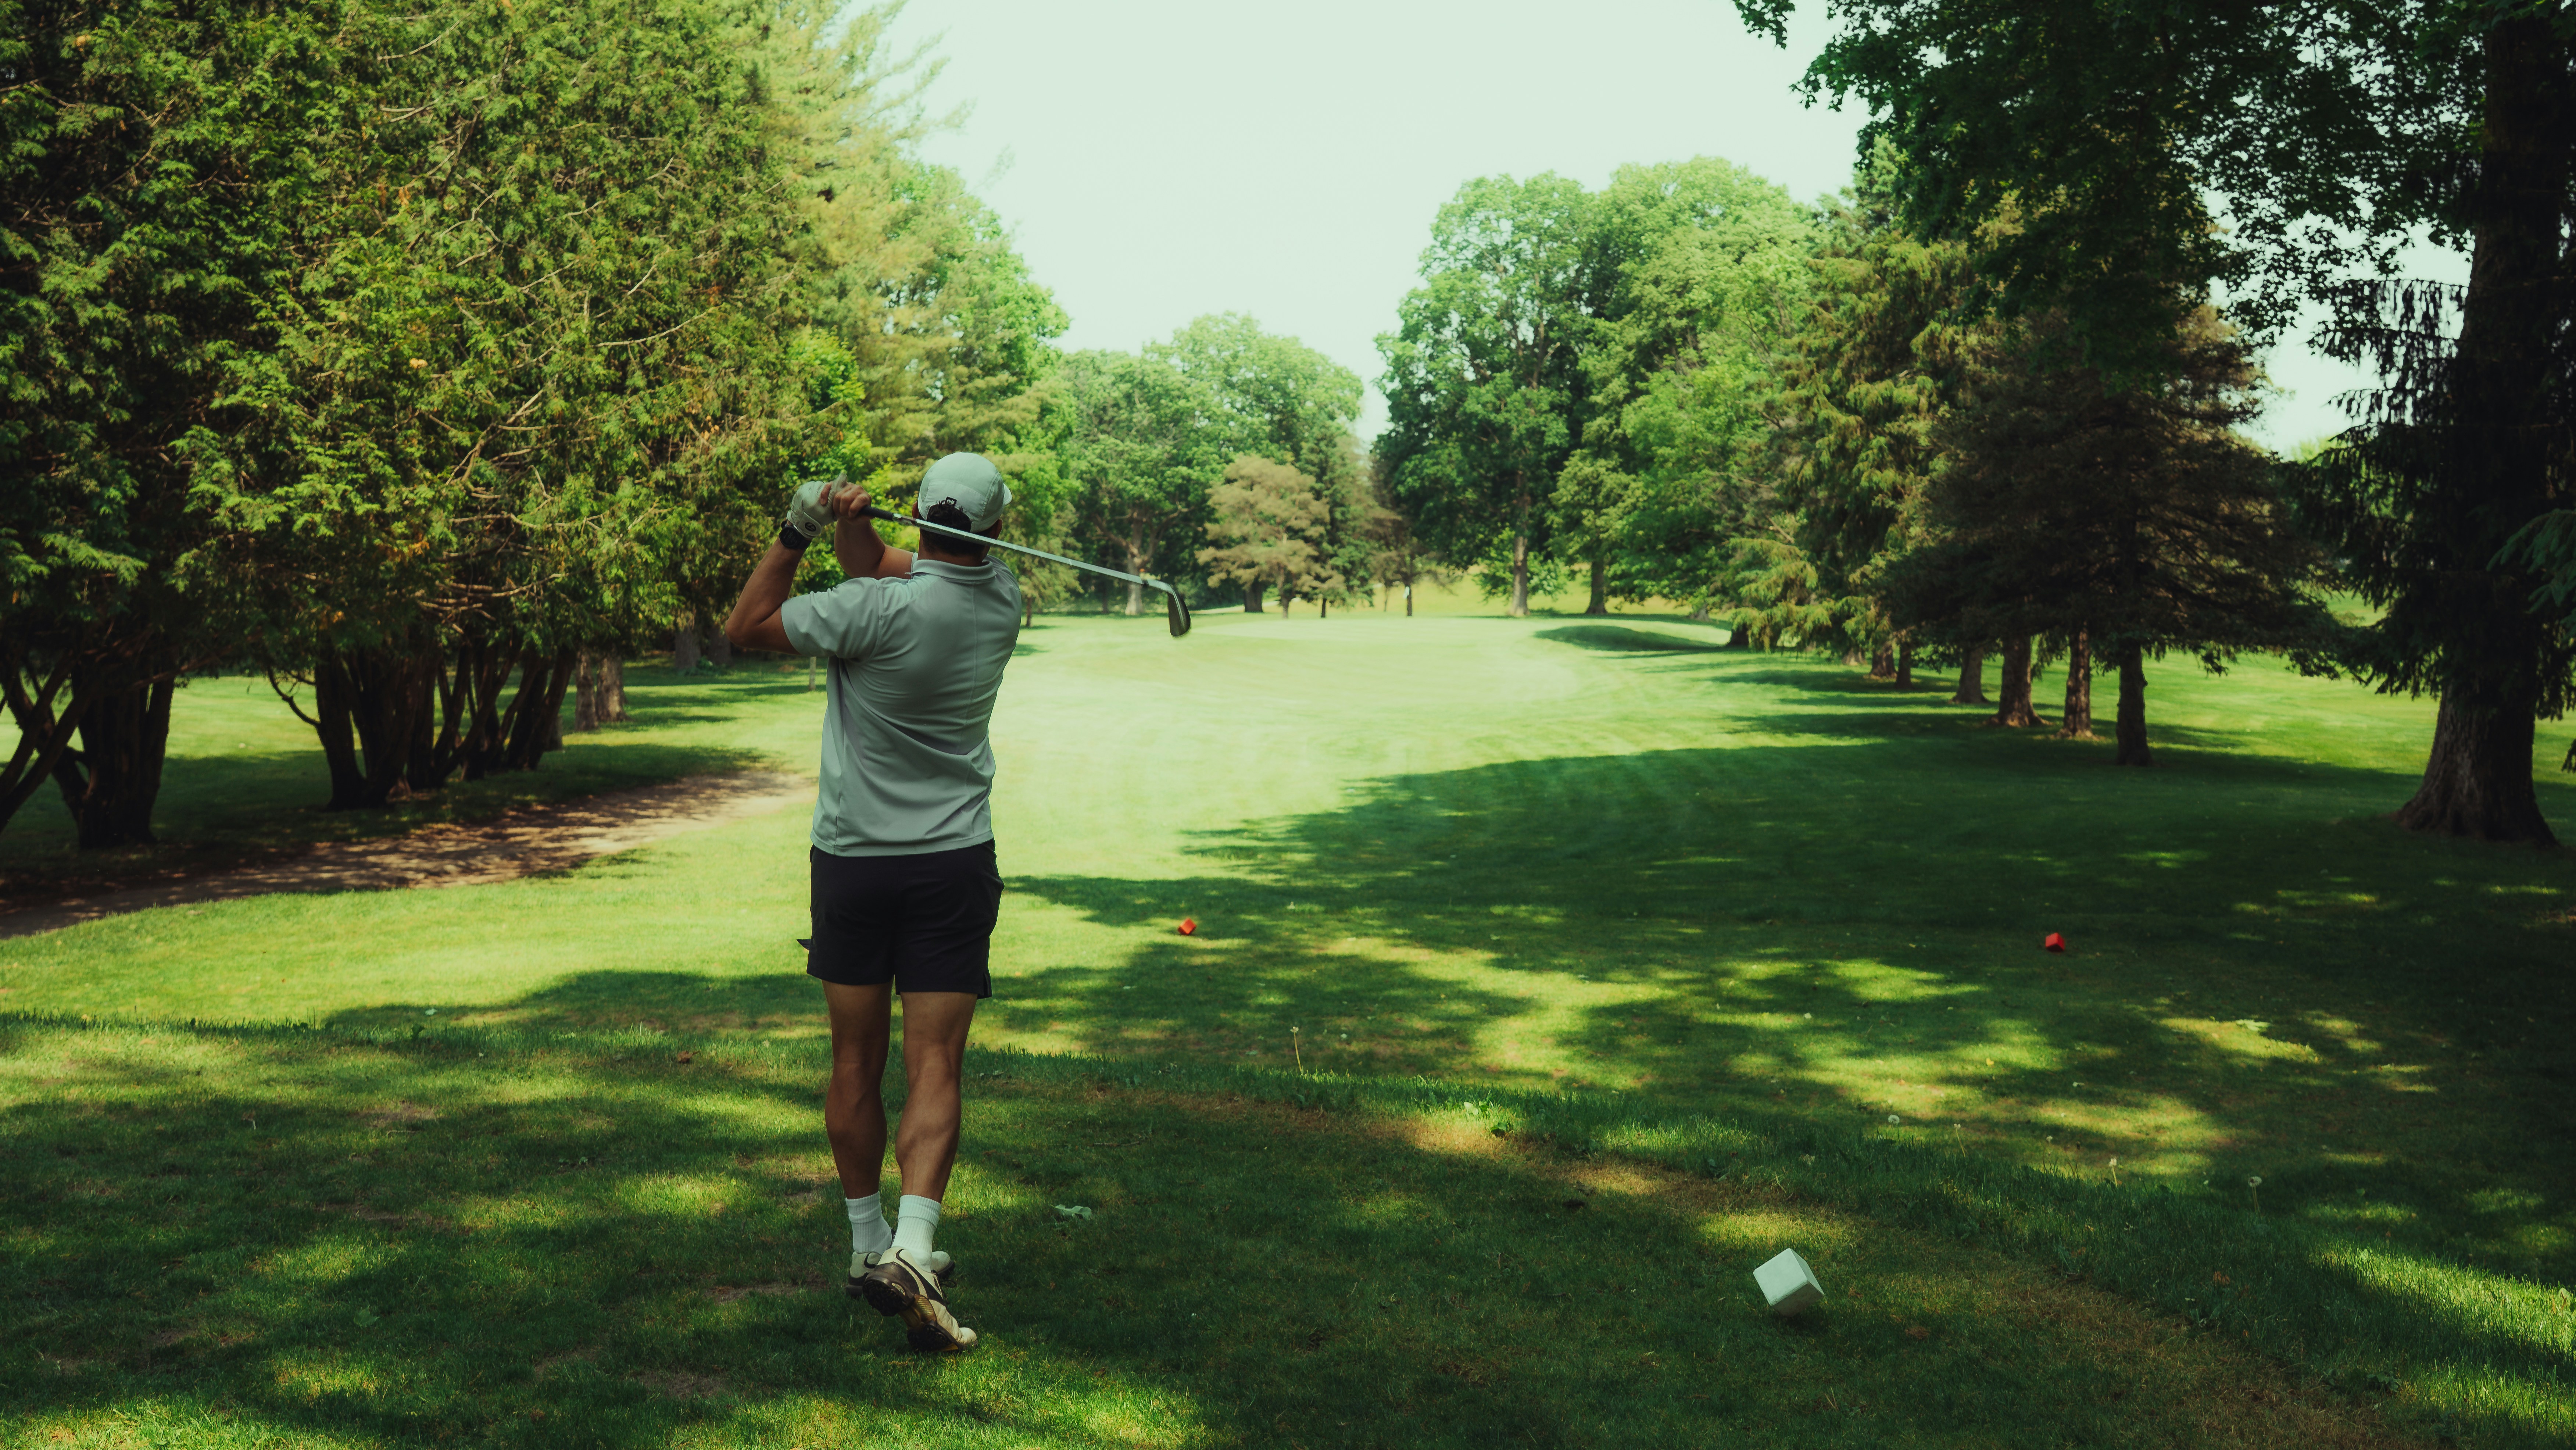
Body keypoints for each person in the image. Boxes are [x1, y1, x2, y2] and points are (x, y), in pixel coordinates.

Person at [722, 453, 1023, 1354]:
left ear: (922, 514)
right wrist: (856, 529)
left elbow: (746, 625)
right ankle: (915, 1248)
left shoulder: (869, 612)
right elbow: (895, 565)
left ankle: (867, 1248)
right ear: (997, 531)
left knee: (855, 1057)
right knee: (936, 1061)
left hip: (854, 864)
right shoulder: (1002, 597)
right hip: (952, 864)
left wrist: (801, 525)